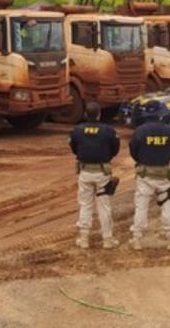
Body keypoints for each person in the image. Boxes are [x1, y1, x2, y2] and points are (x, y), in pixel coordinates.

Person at [128, 100, 170, 251]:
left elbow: (133, 150)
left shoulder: (140, 131)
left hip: (145, 175)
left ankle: (137, 239)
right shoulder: (169, 130)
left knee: (141, 207)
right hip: (163, 174)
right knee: (166, 205)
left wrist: (142, 160)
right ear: (160, 114)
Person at [69, 102, 121, 250]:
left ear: (86, 114)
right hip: (102, 172)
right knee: (104, 206)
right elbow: (115, 149)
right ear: (99, 114)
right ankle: (108, 240)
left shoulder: (77, 130)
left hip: (85, 172)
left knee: (85, 205)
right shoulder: (109, 131)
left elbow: (73, 148)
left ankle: (84, 239)